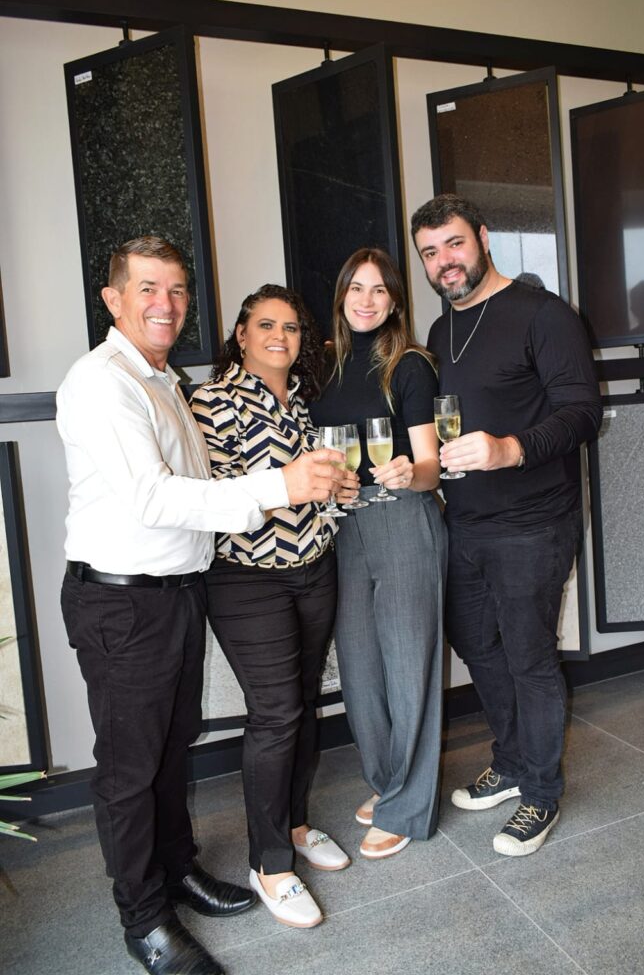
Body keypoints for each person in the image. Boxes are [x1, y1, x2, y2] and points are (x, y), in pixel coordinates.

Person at [57, 237, 345, 975]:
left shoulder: (163, 381)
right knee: (129, 769)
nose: (166, 303)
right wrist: (280, 487)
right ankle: (145, 922)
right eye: (148, 288)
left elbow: (198, 496)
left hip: (178, 592)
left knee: (170, 749)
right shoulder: (101, 382)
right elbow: (153, 499)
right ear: (114, 298)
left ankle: (178, 871)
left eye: (177, 290)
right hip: (121, 600)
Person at [411, 194, 602, 857]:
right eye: (430, 252)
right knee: (476, 643)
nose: (444, 261)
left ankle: (541, 794)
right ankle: (515, 759)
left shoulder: (544, 314)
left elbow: (581, 412)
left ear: (483, 238)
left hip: (533, 522)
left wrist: (509, 448)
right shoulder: (440, 332)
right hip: (464, 520)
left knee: (528, 655)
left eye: (454, 244)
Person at [190, 285, 357, 929]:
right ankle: (269, 864)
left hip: (314, 569)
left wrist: (339, 491)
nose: (280, 337)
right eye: (266, 325)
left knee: (303, 702)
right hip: (246, 578)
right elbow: (212, 495)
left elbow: (322, 488)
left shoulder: (304, 402)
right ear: (241, 335)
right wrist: (292, 486)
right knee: (277, 712)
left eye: (291, 327)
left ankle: (295, 824)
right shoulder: (211, 401)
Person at [310, 248, 447, 860]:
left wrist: (408, 473)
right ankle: (389, 781)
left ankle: (408, 806)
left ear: (395, 301)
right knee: (360, 667)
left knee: (408, 665)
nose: (366, 300)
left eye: (380, 290)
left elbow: (430, 465)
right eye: (356, 288)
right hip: (343, 522)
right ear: (341, 294)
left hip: (402, 516)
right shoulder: (324, 365)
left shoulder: (409, 365)